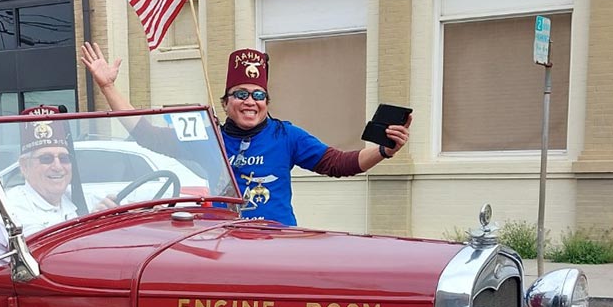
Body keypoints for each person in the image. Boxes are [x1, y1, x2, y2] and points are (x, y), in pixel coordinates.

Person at [81, 42, 412, 226]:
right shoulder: (205, 136)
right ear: (226, 103)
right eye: (240, 94)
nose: (250, 101)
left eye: (258, 94)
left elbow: (340, 163)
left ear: (267, 102)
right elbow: (146, 135)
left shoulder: (287, 135)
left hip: (276, 243)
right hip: (220, 240)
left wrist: (383, 151)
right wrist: (108, 86)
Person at [0, 105, 105, 255]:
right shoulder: (10, 207)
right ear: (24, 166)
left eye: (64, 158)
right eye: (46, 159)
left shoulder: (80, 197)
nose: (58, 166)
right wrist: (92, 226)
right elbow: (43, 253)